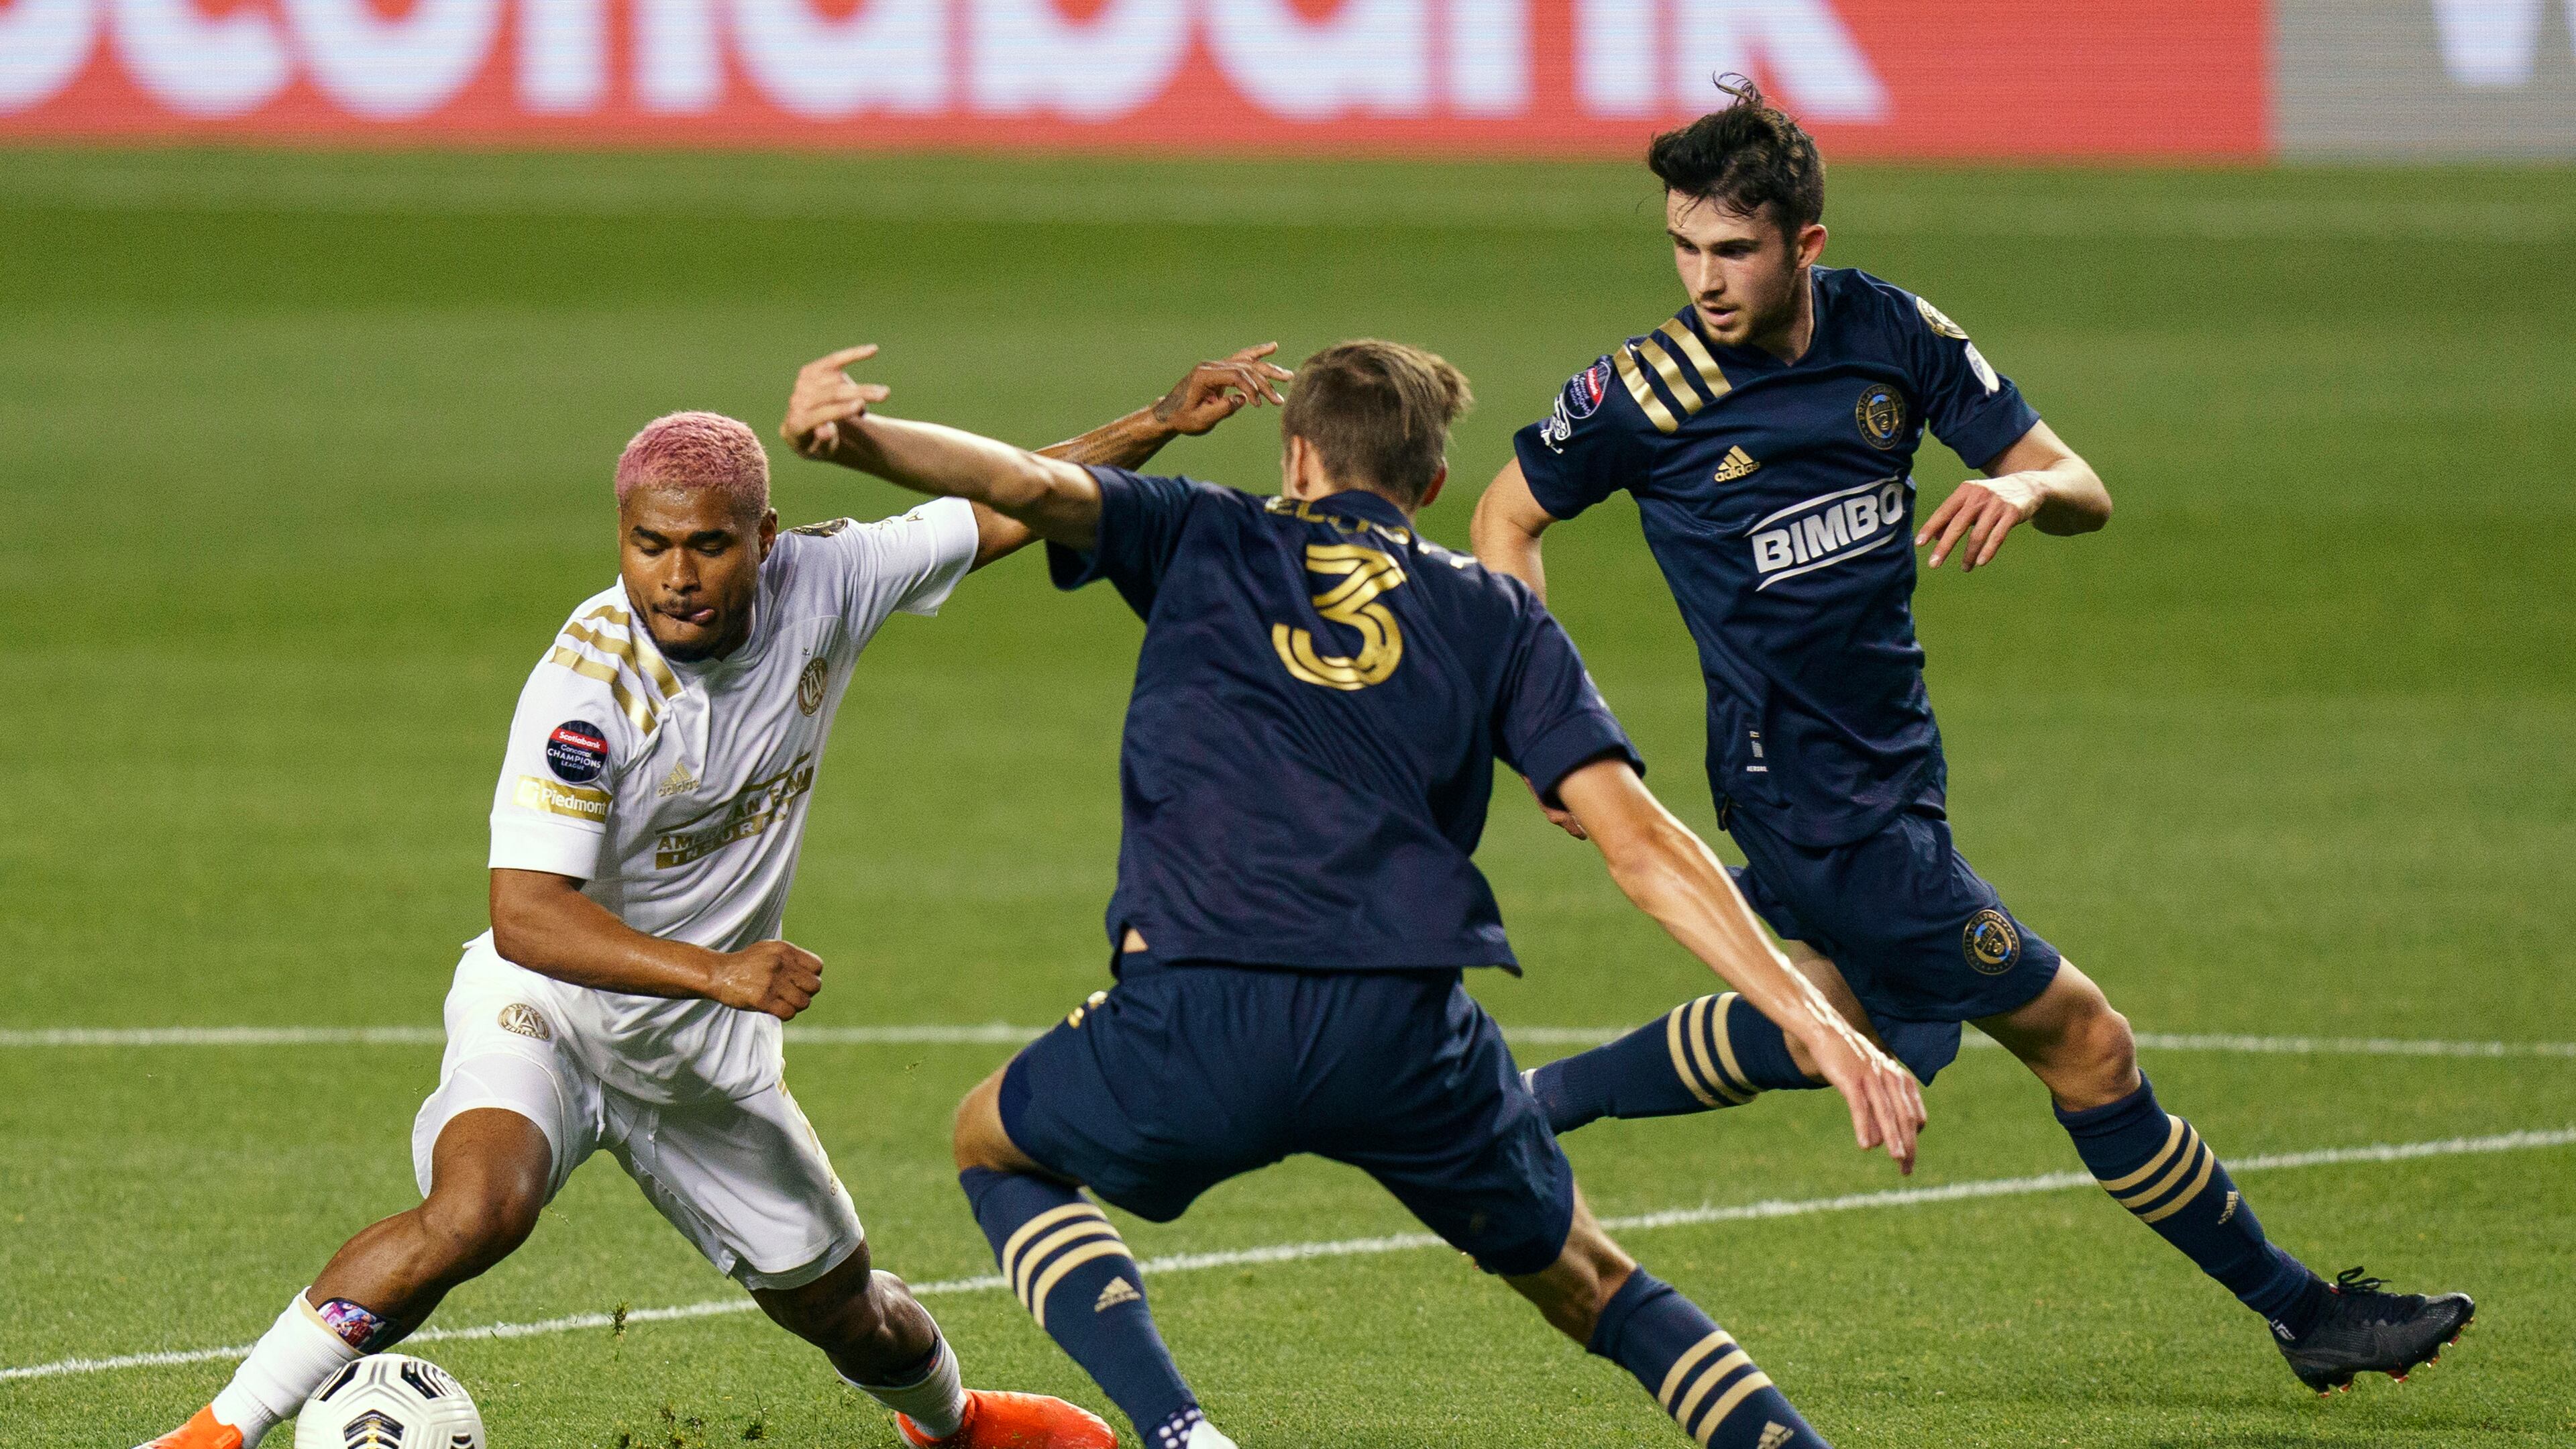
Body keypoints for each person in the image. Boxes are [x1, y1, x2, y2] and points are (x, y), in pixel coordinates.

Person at [1466, 78, 2472, 1396]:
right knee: (2083, 1039)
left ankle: (1522, 1108)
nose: (1704, 281)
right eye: (1684, 247)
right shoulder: (1644, 393)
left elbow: (2083, 488)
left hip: (1894, 767)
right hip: (1819, 801)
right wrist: (1548, 723)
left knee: (1852, 1019)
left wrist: (2019, 482)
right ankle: (2305, 1314)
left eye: (1734, 250)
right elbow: (1501, 519)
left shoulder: (1892, 331)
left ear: (1804, 246)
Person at [140, 344, 1297, 1449]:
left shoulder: (827, 583)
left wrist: (1157, 420)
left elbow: (1011, 502)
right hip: (548, 1010)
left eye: (707, 546)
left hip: (702, 1063)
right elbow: (526, 917)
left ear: (765, 540)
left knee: (852, 1314)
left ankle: (954, 1424)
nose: (676, 578)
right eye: (648, 546)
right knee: (478, 1212)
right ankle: (218, 1426)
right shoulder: (586, 691)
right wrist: (722, 971)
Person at [779, 337, 1928, 1449]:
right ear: (1430, 483)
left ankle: (1181, 1431)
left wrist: (860, 441)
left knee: (994, 1144)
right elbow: (1642, 844)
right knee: (1596, 1282)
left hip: (1201, 1011)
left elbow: (1021, 482)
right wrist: (1812, 1019)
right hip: (1405, 1030)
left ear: (1294, 457)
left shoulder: (1202, 534)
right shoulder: (1498, 612)